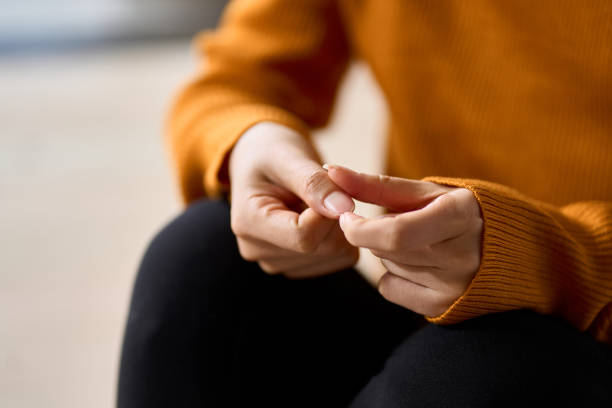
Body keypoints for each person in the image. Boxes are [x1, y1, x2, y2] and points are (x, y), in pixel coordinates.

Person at [117, 1, 612, 406]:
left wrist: (541, 256)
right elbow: (233, 79)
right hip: (437, 317)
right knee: (201, 258)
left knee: (474, 374)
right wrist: (252, 140)